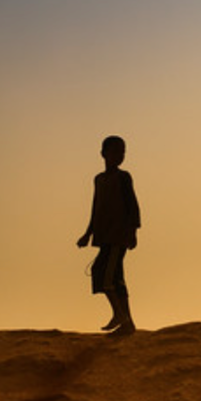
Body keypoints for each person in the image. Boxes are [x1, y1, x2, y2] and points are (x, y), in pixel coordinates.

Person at [76, 135, 140, 335]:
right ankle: (127, 323)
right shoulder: (99, 179)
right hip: (104, 236)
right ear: (104, 154)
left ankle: (120, 315)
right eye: (115, 151)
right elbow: (96, 208)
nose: (119, 156)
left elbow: (133, 205)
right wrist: (88, 233)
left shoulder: (123, 177)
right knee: (116, 278)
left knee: (105, 276)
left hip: (117, 236)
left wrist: (132, 231)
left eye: (122, 152)